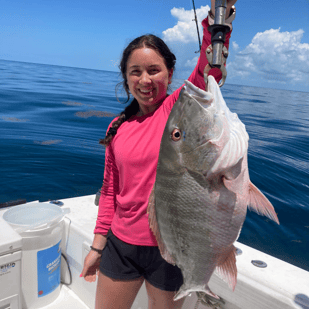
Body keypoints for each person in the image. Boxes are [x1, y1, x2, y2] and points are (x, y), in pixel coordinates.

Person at [80, 1, 237, 308]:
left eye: (154, 70)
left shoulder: (180, 108)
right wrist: (97, 247)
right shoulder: (117, 126)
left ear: (170, 72)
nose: (145, 80)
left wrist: (222, 15)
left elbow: (211, 68)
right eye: (135, 72)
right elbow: (111, 192)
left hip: (172, 248)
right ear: (125, 77)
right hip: (121, 245)